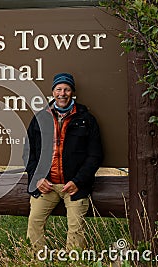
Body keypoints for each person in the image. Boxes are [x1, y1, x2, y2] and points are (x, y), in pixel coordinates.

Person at [23, 72, 103, 251]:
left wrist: (78, 181)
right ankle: (38, 262)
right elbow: (28, 152)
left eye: (67, 89)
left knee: (76, 231)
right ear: (53, 92)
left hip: (74, 186)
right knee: (34, 225)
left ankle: (74, 263)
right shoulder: (40, 118)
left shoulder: (86, 119)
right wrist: (38, 179)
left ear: (72, 92)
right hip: (46, 185)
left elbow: (95, 155)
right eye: (58, 89)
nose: (62, 93)